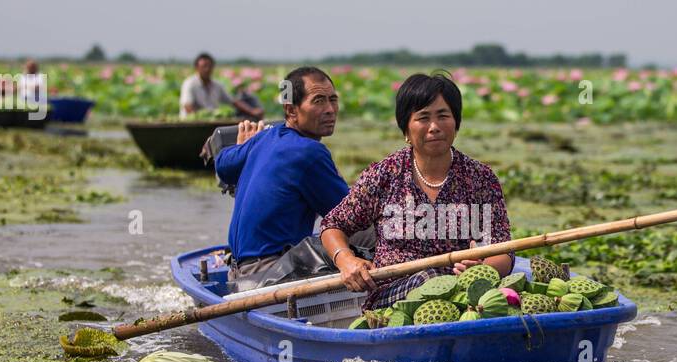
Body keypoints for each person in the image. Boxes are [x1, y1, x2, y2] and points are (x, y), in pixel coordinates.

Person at [320, 72, 513, 310]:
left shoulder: (480, 178)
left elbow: (504, 250)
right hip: (393, 297)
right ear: (406, 129)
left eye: (443, 116)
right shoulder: (385, 174)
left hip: (464, 296)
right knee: (428, 279)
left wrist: (483, 269)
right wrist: (346, 260)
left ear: (456, 122)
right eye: (423, 118)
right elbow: (333, 225)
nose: (434, 127)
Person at [214, 66, 369, 290]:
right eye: (318, 101)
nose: (330, 110)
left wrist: (244, 146)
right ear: (291, 110)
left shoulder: (265, 136)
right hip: (269, 275)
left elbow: (222, 164)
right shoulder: (309, 152)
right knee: (376, 231)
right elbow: (354, 216)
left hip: (237, 273)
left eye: (332, 99)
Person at [180, 52, 262, 120]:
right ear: (197, 68)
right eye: (204, 66)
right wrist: (200, 117)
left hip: (212, 121)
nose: (207, 69)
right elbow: (187, 106)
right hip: (194, 121)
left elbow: (233, 101)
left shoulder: (217, 85)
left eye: (209, 66)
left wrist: (252, 111)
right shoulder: (189, 84)